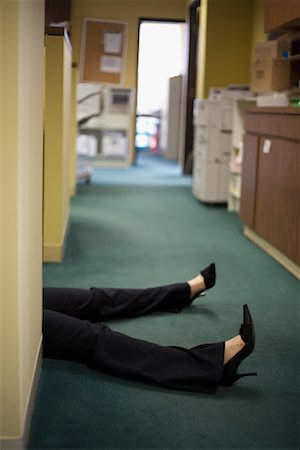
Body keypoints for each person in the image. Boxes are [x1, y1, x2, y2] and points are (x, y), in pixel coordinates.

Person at [42, 263, 257, 394]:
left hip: (17, 298)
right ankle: (215, 363)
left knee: (96, 299)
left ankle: (183, 292)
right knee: (95, 337)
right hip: (11, 320)